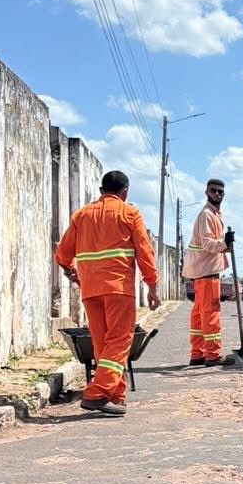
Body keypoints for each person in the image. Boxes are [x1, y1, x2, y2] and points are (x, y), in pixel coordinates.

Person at [55, 170, 159, 417]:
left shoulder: (82, 215)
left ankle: (115, 395)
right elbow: (145, 253)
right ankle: (97, 393)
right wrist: (152, 286)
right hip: (119, 289)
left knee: (103, 345)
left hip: (91, 291)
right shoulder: (129, 213)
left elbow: (62, 254)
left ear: (101, 191)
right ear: (125, 192)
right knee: (120, 341)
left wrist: (72, 273)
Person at [183, 178, 231, 368]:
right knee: (210, 312)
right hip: (206, 272)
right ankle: (212, 354)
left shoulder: (214, 214)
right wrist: (225, 243)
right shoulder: (207, 216)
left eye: (220, 192)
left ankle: (197, 354)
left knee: (198, 314)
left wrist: (227, 244)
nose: (217, 194)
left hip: (201, 271)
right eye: (214, 191)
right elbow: (209, 245)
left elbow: (213, 245)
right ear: (206, 192)